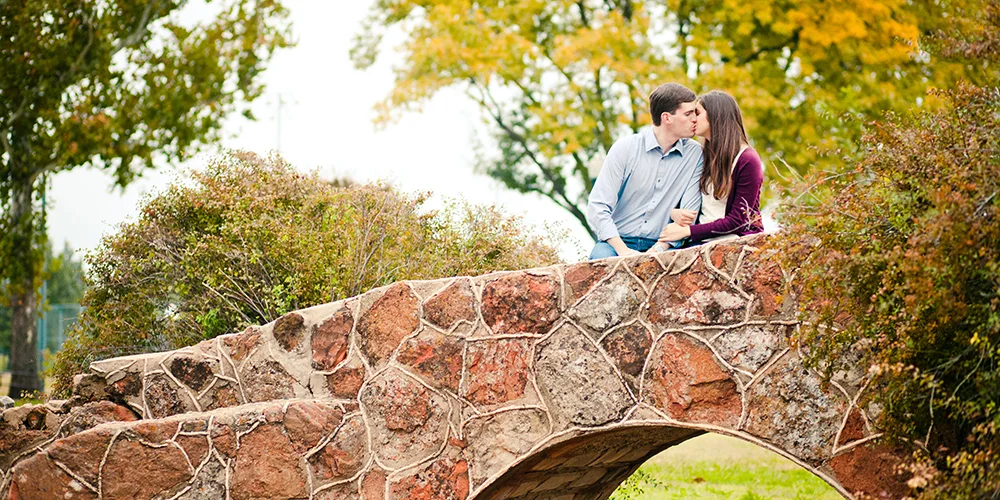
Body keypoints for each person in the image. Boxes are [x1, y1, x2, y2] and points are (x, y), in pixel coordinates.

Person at [586, 83, 703, 259]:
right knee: (600, 265)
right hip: (617, 242)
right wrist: (624, 251)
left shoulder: (695, 154)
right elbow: (598, 207)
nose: (695, 119)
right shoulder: (625, 148)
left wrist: (656, 250)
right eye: (688, 114)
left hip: (664, 244)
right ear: (667, 118)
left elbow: (689, 215)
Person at [655, 90, 764, 247]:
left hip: (736, 241)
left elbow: (738, 220)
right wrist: (674, 212)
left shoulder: (747, 160)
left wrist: (688, 231)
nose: (693, 119)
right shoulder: (702, 156)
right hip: (700, 242)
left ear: (715, 115)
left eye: (697, 113)